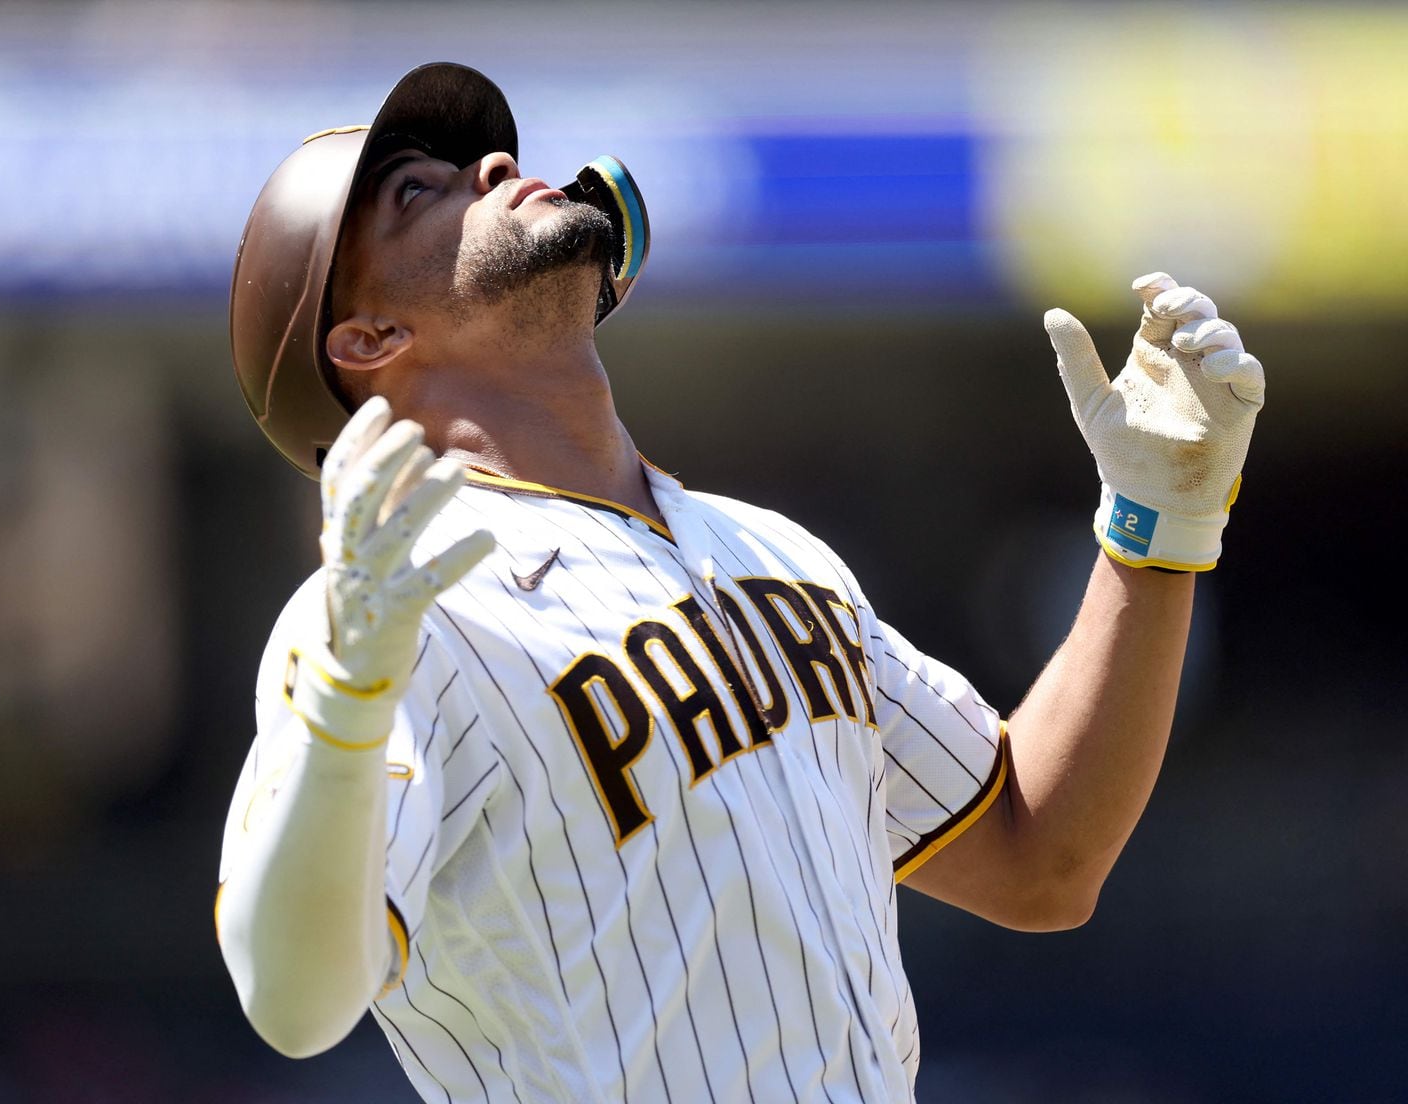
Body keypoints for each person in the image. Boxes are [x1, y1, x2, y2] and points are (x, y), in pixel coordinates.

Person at [215, 63, 1265, 1102]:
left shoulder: (769, 549)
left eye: (476, 161)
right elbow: (294, 1003)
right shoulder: (381, 614)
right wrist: (346, 698)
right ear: (369, 338)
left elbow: (1039, 856)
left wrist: (1154, 528)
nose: (492, 163)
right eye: (418, 193)